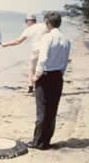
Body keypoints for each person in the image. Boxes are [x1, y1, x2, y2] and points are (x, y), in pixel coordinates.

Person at [26, 11, 71, 150]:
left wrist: (36, 75)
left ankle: (38, 142)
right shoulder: (66, 40)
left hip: (45, 75)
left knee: (42, 110)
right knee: (52, 110)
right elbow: (65, 62)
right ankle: (46, 141)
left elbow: (43, 58)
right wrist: (60, 74)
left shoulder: (47, 38)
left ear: (48, 23)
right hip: (58, 76)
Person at [2, 14, 48, 93]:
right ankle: (42, 86)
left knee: (32, 69)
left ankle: (31, 86)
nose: (26, 23)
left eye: (26, 21)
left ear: (29, 21)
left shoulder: (28, 29)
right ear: (35, 21)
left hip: (36, 50)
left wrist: (6, 44)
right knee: (44, 69)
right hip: (46, 50)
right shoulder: (43, 26)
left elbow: (18, 41)